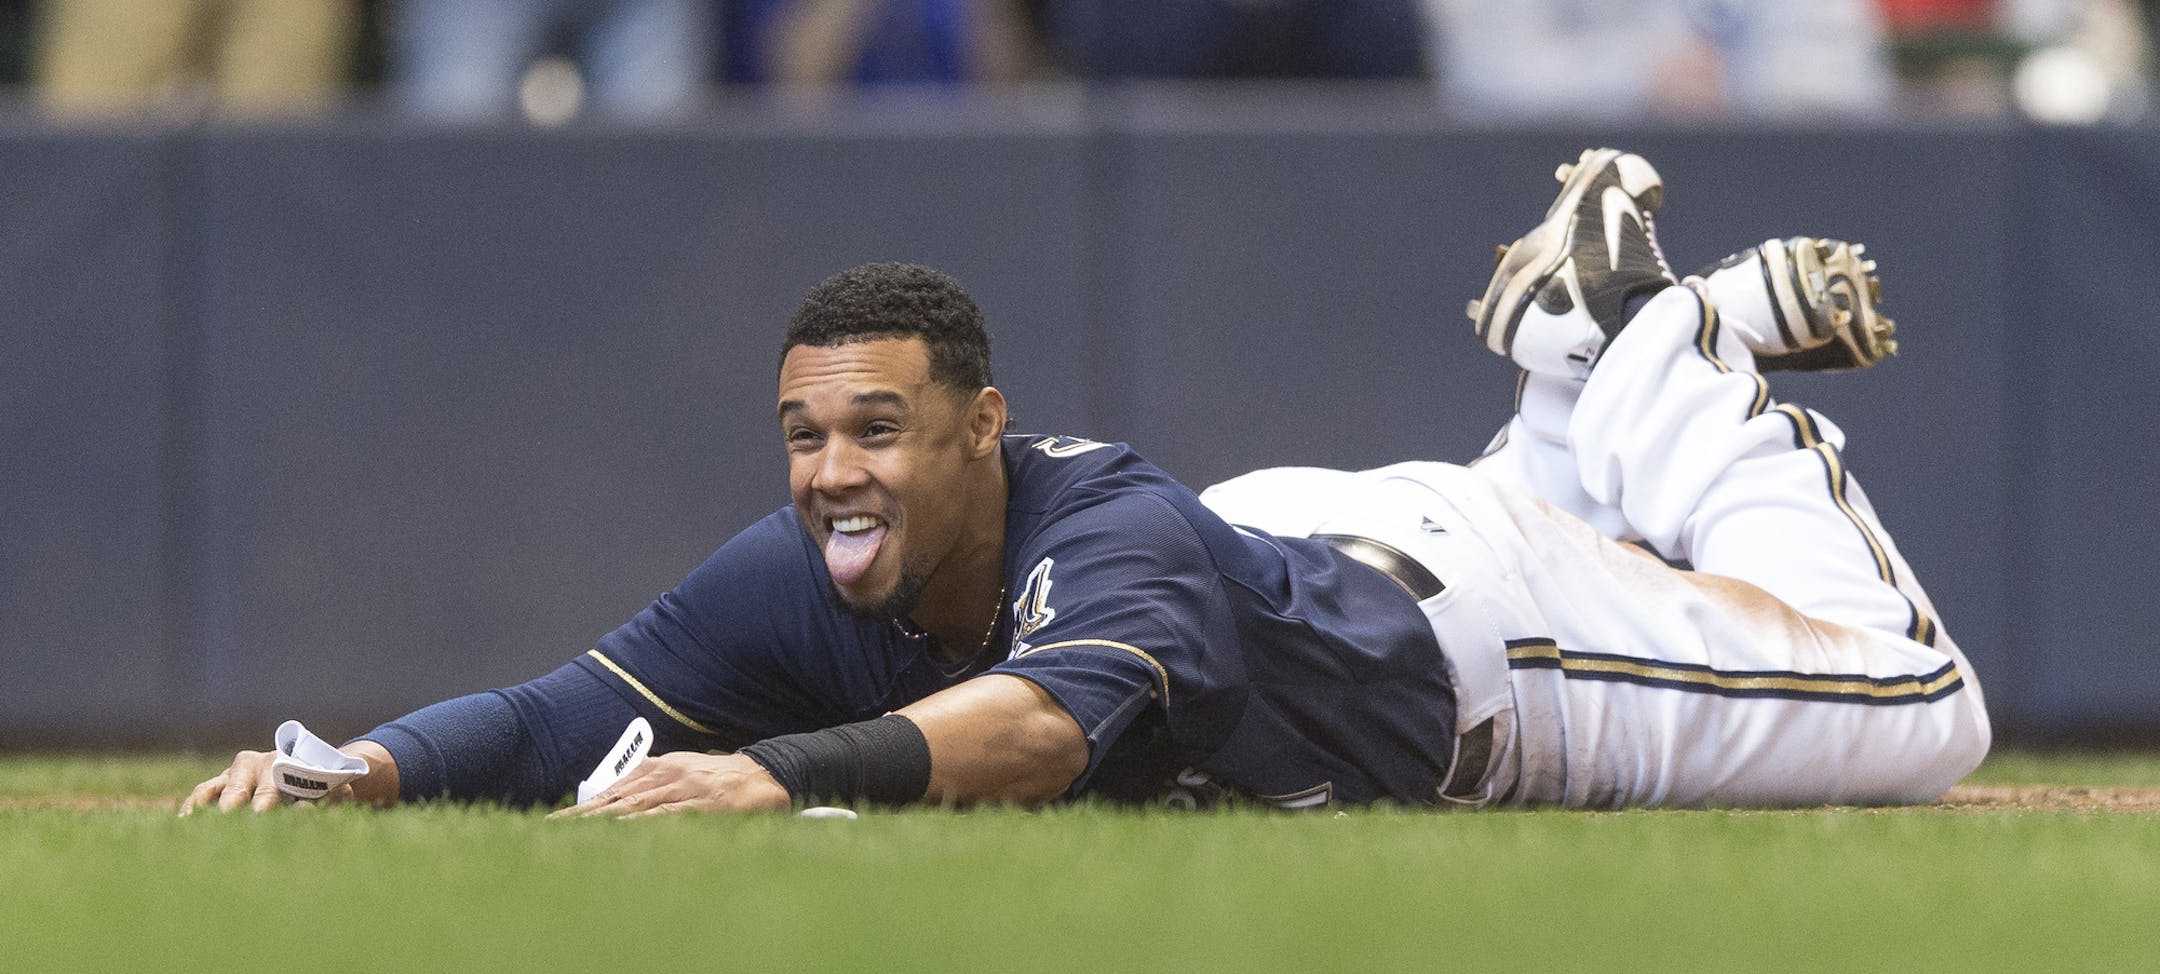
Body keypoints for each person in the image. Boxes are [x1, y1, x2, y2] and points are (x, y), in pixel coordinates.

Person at [183, 148, 1988, 816]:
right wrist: (361, 766)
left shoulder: (1099, 521)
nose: (833, 472)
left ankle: (1661, 346)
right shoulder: (813, 557)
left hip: (1487, 654)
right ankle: (1579, 362)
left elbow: (1043, 730)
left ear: (983, 425)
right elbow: (562, 712)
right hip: (1305, 555)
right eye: (807, 435)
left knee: (1920, 707)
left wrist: (775, 774)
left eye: (878, 428)